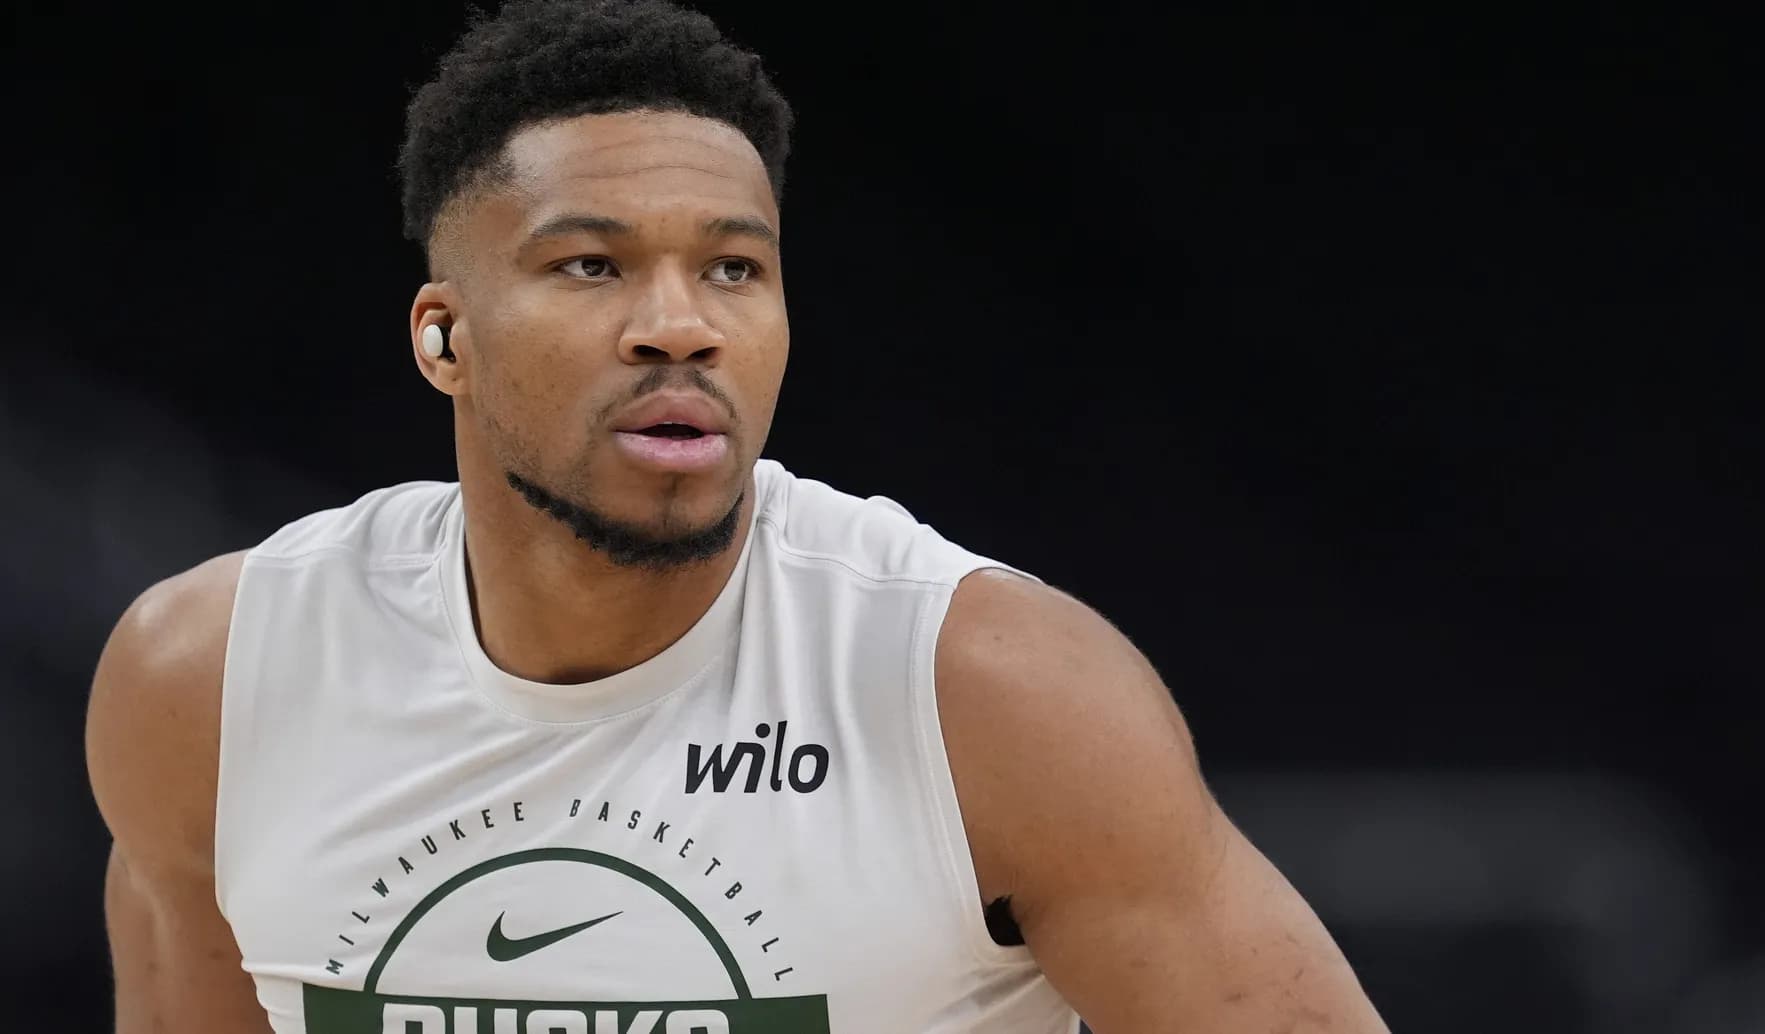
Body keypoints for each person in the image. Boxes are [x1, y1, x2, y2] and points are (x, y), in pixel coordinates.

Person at [83, 2, 1389, 1031]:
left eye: (733, 267)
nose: (681, 323)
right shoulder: (208, 684)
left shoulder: (993, 694)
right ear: (444, 336)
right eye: (591, 264)